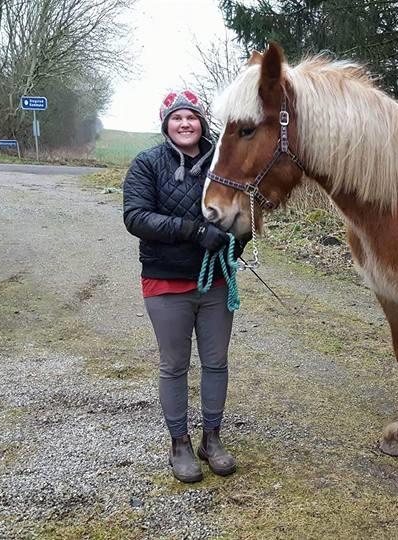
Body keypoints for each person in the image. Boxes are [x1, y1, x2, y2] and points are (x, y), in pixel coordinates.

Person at [122, 89, 245, 483]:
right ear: (166, 124)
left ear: (202, 122)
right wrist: (193, 231)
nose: (185, 123)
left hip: (215, 282)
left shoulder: (223, 162)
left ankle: (212, 438)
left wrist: (235, 240)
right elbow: (136, 217)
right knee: (174, 366)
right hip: (166, 282)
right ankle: (179, 444)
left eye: (192, 116)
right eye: (177, 117)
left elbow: (244, 208)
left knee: (216, 362)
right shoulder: (147, 164)